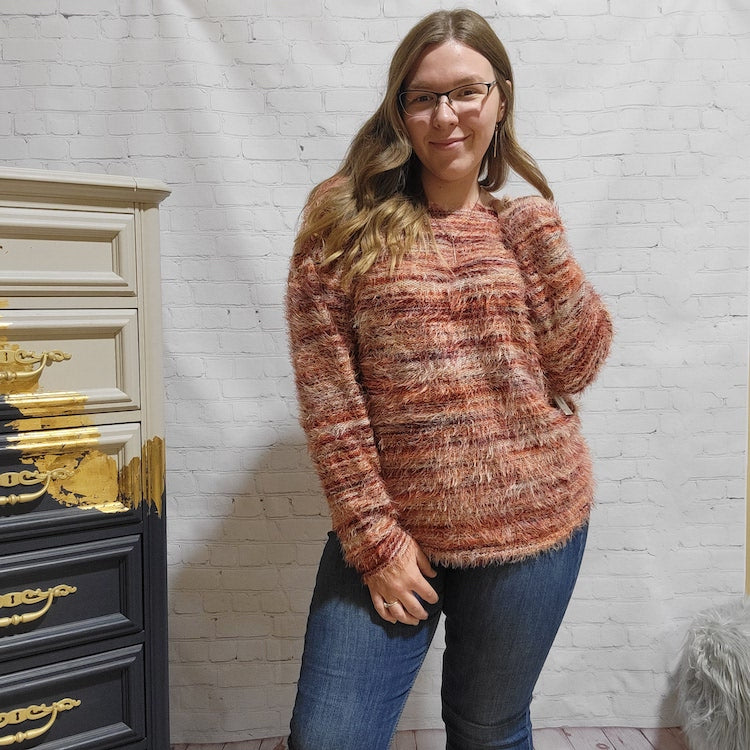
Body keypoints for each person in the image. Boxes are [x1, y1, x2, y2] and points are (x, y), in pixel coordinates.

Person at [284, 9, 612, 750]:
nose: (445, 115)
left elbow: (577, 364)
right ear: (399, 109)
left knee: (488, 729)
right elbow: (332, 401)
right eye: (423, 97)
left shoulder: (519, 226)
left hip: (535, 525)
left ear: (500, 98)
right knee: (329, 738)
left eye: (466, 91)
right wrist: (375, 540)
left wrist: (539, 235)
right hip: (395, 533)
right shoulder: (344, 220)